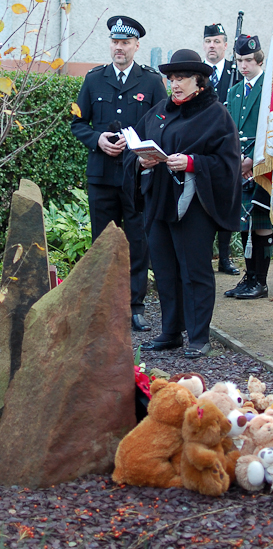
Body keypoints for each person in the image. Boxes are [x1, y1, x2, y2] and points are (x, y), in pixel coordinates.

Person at [123, 49, 242, 358]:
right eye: (171, 78)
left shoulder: (216, 115)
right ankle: (171, 332)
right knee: (163, 269)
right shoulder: (159, 111)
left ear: (199, 82)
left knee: (195, 271)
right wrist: (141, 163)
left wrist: (192, 162)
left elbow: (228, 163)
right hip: (159, 201)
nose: (174, 84)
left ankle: (199, 336)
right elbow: (134, 146)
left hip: (194, 207)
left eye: (181, 79)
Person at [71, 16, 167, 332]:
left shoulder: (151, 82)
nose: (119, 48)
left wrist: (139, 141)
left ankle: (134, 306)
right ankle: (102, 304)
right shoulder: (94, 79)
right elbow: (77, 123)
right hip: (101, 176)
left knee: (138, 242)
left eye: (125, 43)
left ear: (136, 45)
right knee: (103, 242)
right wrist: (96, 139)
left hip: (137, 176)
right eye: (115, 42)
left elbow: (163, 124)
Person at [224, 34, 273, 300]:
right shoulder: (234, 91)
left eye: (248, 60)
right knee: (245, 224)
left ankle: (261, 281)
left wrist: (252, 160)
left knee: (261, 223)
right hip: (240, 166)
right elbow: (231, 130)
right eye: (239, 60)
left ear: (259, 59)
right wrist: (236, 160)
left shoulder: (271, 90)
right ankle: (249, 279)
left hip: (263, 166)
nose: (243, 65)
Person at [203, 23, 240, 276]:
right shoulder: (198, 73)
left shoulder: (236, 72)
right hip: (203, 143)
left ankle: (225, 257)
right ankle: (204, 255)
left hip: (227, 144)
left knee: (226, 200)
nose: (212, 46)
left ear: (226, 45)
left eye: (217, 41)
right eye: (208, 41)